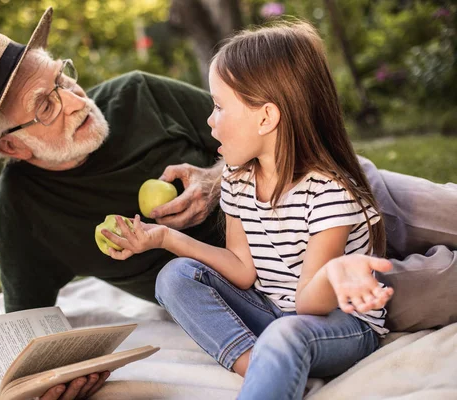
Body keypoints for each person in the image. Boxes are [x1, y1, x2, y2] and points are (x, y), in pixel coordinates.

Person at [0, 7, 457, 400]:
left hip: (330, 198)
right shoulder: (22, 214)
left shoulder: (140, 93)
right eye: (46, 104)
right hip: (279, 287)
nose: (75, 100)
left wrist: (213, 181)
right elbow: (28, 326)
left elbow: (250, 123)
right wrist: (52, 381)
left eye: (62, 78)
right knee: (435, 290)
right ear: (12, 146)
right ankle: (272, 364)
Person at [99, 21, 397, 399]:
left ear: (266, 117)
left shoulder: (329, 192)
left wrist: (336, 272)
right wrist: (164, 238)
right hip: (275, 314)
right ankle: (264, 365)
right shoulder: (237, 181)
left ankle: (274, 366)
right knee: (173, 277)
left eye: (219, 106)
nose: (209, 120)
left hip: (339, 326)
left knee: (287, 333)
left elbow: (309, 302)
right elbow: (242, 270)